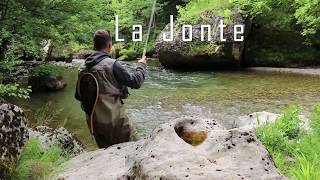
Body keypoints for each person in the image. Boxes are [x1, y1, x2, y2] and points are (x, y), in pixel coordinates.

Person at [75, 30, 147, 148]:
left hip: (94, 123)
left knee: (107, 155)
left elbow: (78, 96)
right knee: (136, 149)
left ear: (94, 45)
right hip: (116, 122)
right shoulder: (112, 64)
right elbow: (136, 82)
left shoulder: (82, 68)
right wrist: (141, 66)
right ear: (109, 45)